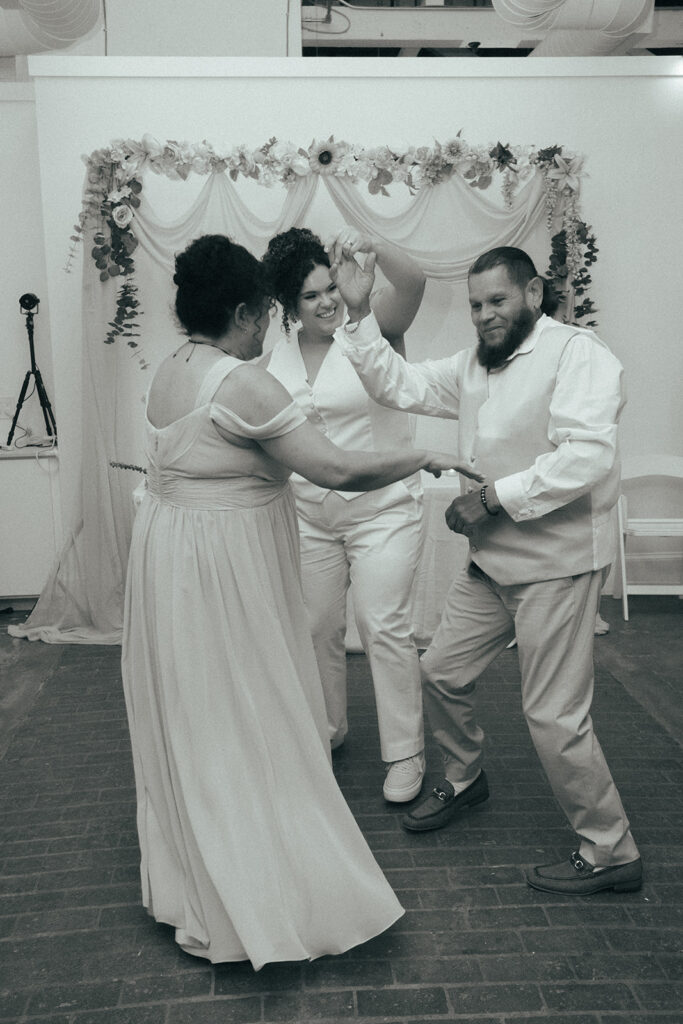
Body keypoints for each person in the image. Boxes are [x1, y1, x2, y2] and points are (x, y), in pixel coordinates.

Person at [121, 233, 481, 969]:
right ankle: (253, 874)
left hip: (172, 562)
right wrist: (426, 452)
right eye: (268, 312)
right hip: (221, 570)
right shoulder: (244, 380)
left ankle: (200, 855)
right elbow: (335, 469)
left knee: (201, 709)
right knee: (246, 701)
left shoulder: (171, 368)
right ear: (250, 310)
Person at [335, 244, 642, 897]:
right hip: (491, 559)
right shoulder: (476, 363)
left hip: (555, 566)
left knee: (553, 716)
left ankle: (609, 849)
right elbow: (401, 385)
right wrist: (359, 313)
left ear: (533, 293)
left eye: (496, 300)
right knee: (441, 670)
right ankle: (465, 777)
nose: (483, 315)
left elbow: (585, 457)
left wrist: (491, 497)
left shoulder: (576, 354)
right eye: (475, 304)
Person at [261, 226, 429, 803]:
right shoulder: (274, 359)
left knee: (383, 626)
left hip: (383, 509)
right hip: (309, 515)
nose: (328, 300)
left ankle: (405, 752)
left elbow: (416, 280)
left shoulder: (372, 326)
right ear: (288, 306)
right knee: (316, 628)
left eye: (330, 286)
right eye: (311, 296)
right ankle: (328, 729)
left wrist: (374, 242)